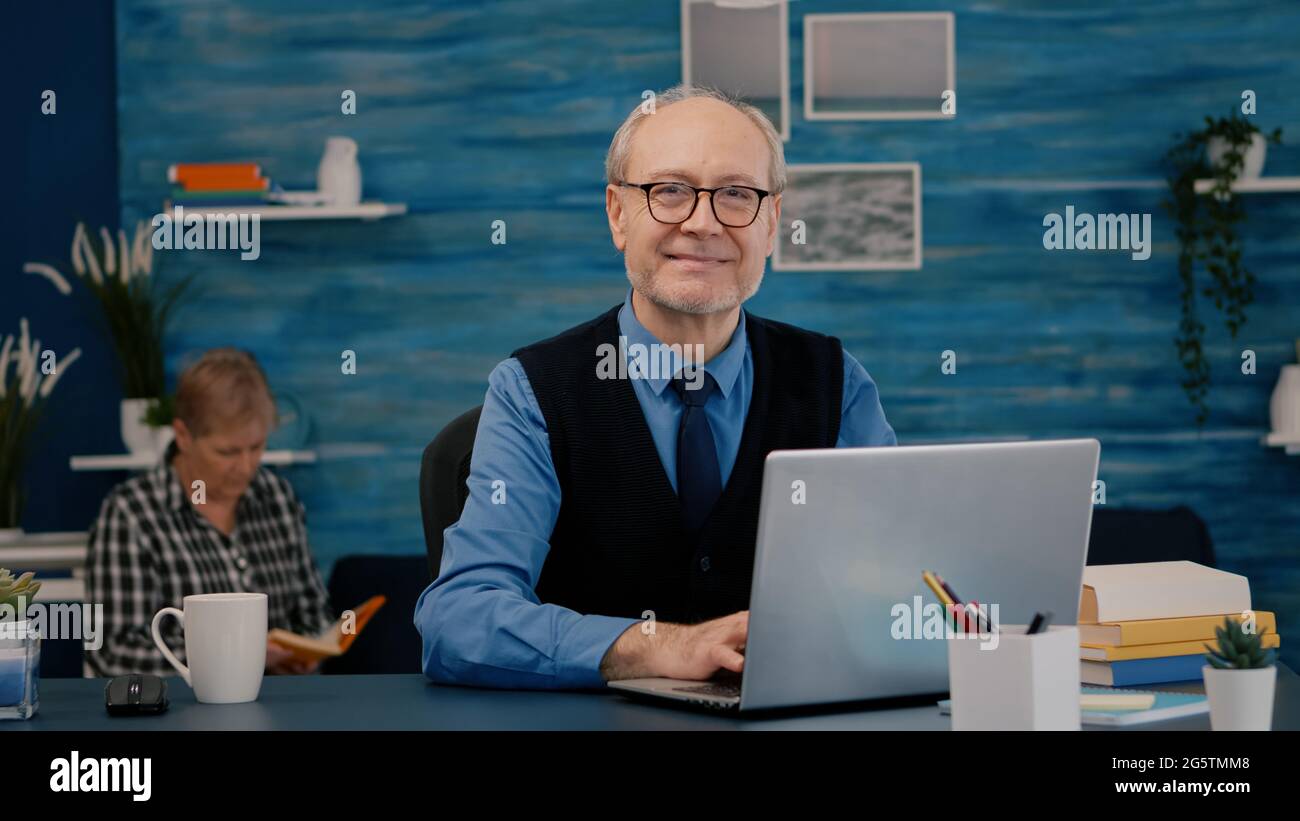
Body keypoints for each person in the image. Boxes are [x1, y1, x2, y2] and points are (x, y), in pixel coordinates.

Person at [415, 84, 896, 689]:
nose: (703, 223)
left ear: (771, 223)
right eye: (669, 191)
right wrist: (652, 647)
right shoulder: (532, 392)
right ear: (618, 214)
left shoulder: (837, 384)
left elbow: (895, 589)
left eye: (736, 194)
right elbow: (457, 620)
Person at [86, 348, 334, 677]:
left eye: (257, 447)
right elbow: (113, 651)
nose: (246, 467)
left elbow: (313, 612)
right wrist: (235, 656)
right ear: (184, 436)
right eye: (228, 452)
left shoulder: (278, 497)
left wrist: (308, 649)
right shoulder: (132, 514)